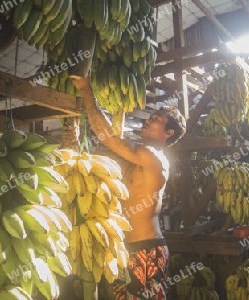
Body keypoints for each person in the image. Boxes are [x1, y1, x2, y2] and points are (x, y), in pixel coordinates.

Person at [72, 76, 187, 300]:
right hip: (124, 250)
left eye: (156, 120)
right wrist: (76, 142)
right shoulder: (136, 160)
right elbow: (98, 164)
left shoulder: (155, 158)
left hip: (146, 250)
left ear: (168, 133)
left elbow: (109, 139)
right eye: (150, 116)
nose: (148, 120)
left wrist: (87, 90)